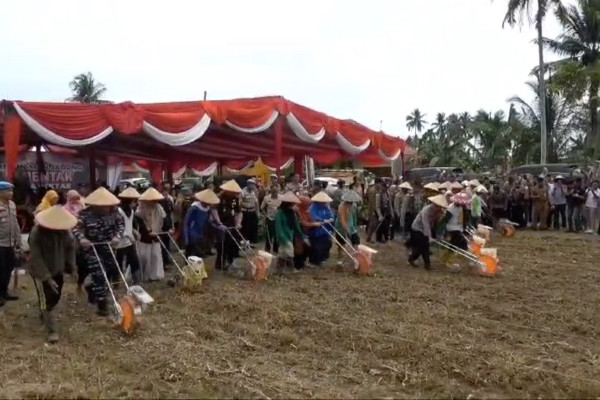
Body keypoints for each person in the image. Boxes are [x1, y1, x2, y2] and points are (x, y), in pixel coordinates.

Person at [27, 205, 77, 343]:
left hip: (57, 269)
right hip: (40, 272)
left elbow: (70, 249)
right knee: (46, 300)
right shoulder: (36, 233)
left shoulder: (65, 232)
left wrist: (73, 267)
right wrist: (47, 278)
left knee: (56, 295)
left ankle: (45, 312)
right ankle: (51, 330)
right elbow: (37, 257)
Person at [73, 187, 124, 316]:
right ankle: (102, 306)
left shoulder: (115, 212)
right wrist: (82, 238)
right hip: (92, 248)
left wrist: (117, 237)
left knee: (109, 272)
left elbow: (121, 226)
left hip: (109, 247)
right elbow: (75, 228)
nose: (104, 208)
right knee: (99, 273)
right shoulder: (84, 214)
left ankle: (91, 288)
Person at [408, 194, 448, 270]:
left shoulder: (439, 212)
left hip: (426, 229)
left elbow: (437, 225)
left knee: (424, 246)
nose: (439, 208)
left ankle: (424, 263)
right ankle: (421, 262)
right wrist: (429, 237)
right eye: (437, 206)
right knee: (423, 246)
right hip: (417, 228)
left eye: (440, 207)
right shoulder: (426, 210)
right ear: (434, 204)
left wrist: (439, 236)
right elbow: (425, 224)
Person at [136, 187, 166, 281]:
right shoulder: (140, 209)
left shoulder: (159, 208)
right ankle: (143, 275)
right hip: (144, 237)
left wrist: (159, 230)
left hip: (156, 234)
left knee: (155, 255)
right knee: (144, 257)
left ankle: (155, 275)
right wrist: (148, 230)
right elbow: (140, 222)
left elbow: (163, 218)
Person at [214, 179, 243, 270]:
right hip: (221, 224)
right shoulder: (219, 198)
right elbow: (214, 210)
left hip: (232, 224)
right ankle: (220, 263)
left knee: (232, 243)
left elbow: (239, 212)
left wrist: (238, 222)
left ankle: (230, 261)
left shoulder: (235, 199)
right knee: (222, 245)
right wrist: (218, 222)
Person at [0, 181, 21, 306]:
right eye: (8, 191)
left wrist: (18, 241)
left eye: (11, 190)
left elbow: (15, 224)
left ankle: (4, 292)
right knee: (0, 269)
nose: (11, 193)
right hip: (0, 244)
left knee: (9, 268)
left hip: (10, 244)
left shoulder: (12, 205)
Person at [115, 187, 142, 284]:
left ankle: (136, 281)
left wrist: (134, 232)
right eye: (134, 202)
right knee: (118, 262)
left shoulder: (132, 211)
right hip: (120, 242)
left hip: (129, 242)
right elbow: (119, 227)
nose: (135, 204)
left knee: (134, 261)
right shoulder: (118, 212)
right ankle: (116, 281)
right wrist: (128, 235)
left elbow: (129, 225)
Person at [275, 191, 307, 270]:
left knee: (284, 253)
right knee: (289, 252)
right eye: (292, 204)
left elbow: (296, 227)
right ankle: (291, 269)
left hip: (289, 235)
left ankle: (280, 267)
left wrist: (302, 236)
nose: (293, 205)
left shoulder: (292, 213)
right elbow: (278, 228)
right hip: (283, 237)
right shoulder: (280, 213)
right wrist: (284, 239)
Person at [182, 189, 219, 257]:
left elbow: (208, 221)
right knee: (191, 253)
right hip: (192, 232)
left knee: (198, 253)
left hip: (201, 233)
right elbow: (186, 222)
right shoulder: (194, 208)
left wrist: (218, 225)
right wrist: (186, 237)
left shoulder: (208, 209)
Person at [308, 192, 334, 267]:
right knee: (316, 246)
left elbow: (330, 213)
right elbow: (313, 216)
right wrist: (321, 220)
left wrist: (331, 218)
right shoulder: (312, 207)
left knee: (327, 244)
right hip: (316, 229)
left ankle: (323, 258)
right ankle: (314, 261)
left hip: (326, 228)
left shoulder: (326, 207)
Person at [334, 190, 361, 264]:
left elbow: (354, 217)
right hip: (341, 228)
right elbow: (343, 220)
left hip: (351, 225)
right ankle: (340, 258)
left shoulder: (353, 205)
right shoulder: (342, 206)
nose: (351, 204)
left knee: (356, 240)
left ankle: (355, 258)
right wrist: (347, 229)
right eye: (350, 202)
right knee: (341, 243)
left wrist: (354, 227)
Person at [261, 185, 281, 253]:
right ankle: (267, 248)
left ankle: (276, 249)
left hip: (279, 219)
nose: (275, 193)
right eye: (273, 191)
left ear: (278, 191)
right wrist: (265, 215)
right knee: (269, 234)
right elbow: (262, 208)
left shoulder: (282, 198)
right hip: (270, 218)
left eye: (276, 191)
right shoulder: (266, 198)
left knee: (277, 234)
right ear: (271, 191)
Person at [240, 179, 260, 243]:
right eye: (251, 184)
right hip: (245, 211)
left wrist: (258, 212)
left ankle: (253, 240)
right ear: (248, 184)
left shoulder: (254, 191)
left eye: (253, 185)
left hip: (253, 211)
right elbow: (240, 202)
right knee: (245, 227)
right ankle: (245, 240)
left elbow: (256, 202)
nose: (252, 186)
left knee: (254, 226)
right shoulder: (243, 191)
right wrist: (246, 205)